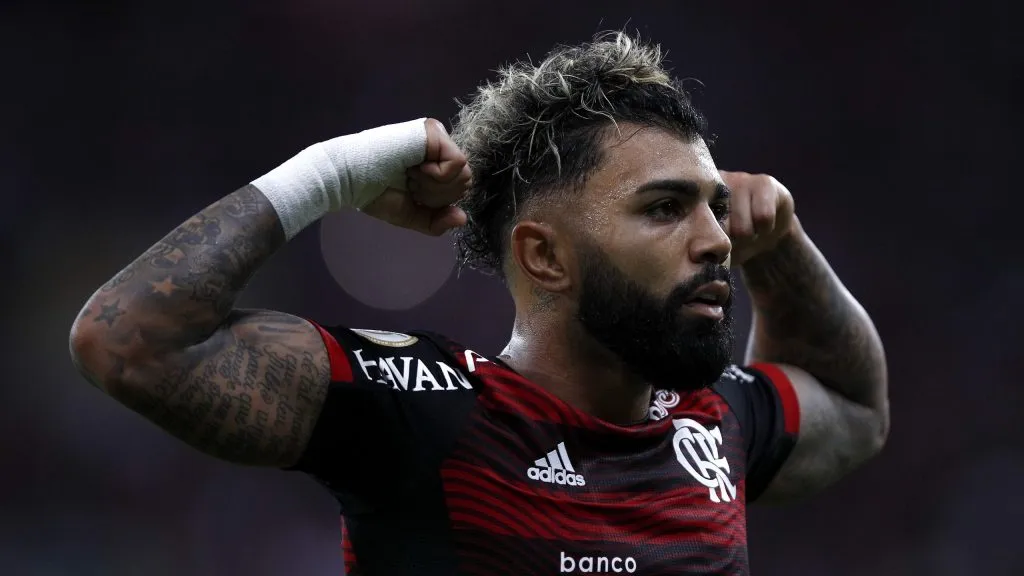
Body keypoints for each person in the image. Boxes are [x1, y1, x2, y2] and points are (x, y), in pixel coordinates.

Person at [69, 32, 889, 575]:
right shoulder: (429, 413)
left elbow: (855, 406)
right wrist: (330, 171)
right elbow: (130, 341)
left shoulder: (716, 420)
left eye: (713, 205)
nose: (716, 240)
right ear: (543, 256)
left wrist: (783, 248)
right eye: (666, 208)